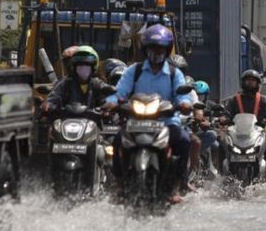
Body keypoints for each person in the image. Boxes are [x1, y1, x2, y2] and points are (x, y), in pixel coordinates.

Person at [103, 24, 192, 204]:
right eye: (152, 48)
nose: (156, 52)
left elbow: (183, 95)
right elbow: (120, 92)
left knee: (184, 141)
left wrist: (184, 103)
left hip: (166, 121)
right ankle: (120, 186)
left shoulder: (174, 74)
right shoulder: (133, 71)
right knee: (117, 142)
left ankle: (175, 187)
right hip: (136, 121)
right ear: (145, 49)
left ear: (167, 51)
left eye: (160, 49)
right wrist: (111, 103)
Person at [221, 69, 266, 171]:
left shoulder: (264, 100)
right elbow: (226, 113)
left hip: (258, 133)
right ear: (243, 82)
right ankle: (221, 173)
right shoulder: (234, 100)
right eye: (248, 80)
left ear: (257, 83)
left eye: (253, 80)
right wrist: (223, 118)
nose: (250, 82)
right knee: (222, 144)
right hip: (236, 133)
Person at [41, 45, 110, 112]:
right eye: (79, 65)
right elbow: (54, 97)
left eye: (86, 65)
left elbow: (108, 99)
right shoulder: (65, 83)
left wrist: (108, 107)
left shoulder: (97, 84)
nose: (83, 68)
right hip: (67, 121)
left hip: (92, 122)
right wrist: (48, 105)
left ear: (93, 67)